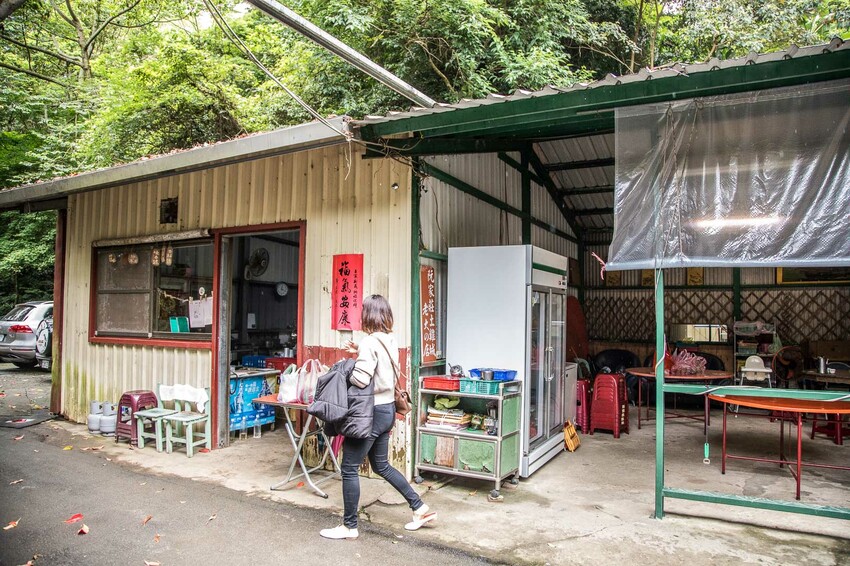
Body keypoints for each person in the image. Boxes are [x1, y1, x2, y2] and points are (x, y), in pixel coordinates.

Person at [320, 294, 436, 540]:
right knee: (381, 465)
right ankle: (420, 508)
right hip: (386, 412)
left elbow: (362, 379)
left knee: (349, 468)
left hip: (369, 414)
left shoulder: (371, 342)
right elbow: (380, 366)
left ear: (368, 316)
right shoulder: (389, 340)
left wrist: (344, 369)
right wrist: (358, 351)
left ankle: (349, 526)